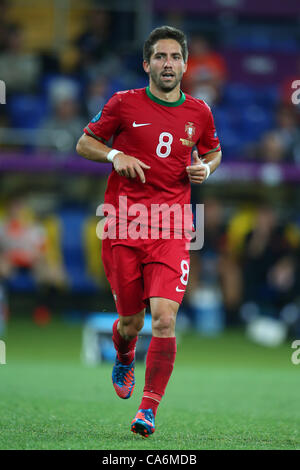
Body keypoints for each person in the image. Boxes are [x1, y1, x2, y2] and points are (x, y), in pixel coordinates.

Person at [76, 25, 222, 437]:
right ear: (146, 64)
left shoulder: (200, 112)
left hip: (173, 227)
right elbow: (84, 144)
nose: (169, 63)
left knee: (164, 318)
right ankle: (124, 355)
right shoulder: (123, 104)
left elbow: (213, 150)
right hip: (123, 223)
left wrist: (206, 167)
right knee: (131, 323)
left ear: (186, 64)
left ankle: (148, 410)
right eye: (160, 56)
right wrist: (115, 153)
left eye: (176, 56)